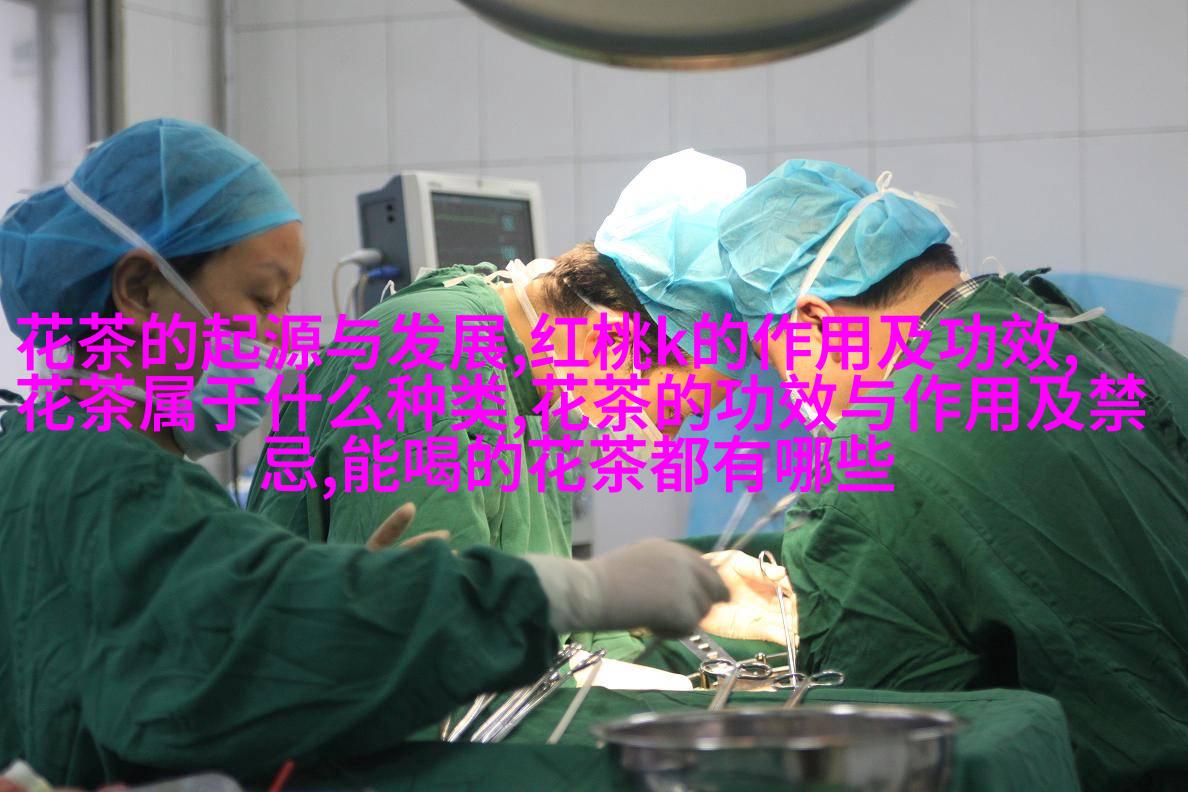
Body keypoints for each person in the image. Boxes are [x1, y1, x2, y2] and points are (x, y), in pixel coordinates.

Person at [0, 118, 729, 787]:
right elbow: (248, 639)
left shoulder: (81, 455)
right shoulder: (100, 477)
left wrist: (358, 602)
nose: (279, 335)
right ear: (138, 288)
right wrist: (577, 591)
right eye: (262, 299)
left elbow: (224, 656)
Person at [718, 158, 1188, 790]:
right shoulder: (1114, 345)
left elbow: (882, 739)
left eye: (781, 364)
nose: (795, 392)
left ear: (816, 323)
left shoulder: (871, 458)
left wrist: (831, 606)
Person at [250, 149, 797, 655]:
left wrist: (652, 606)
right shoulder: (426, 362)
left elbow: (535, 617)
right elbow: (439, 640)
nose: (668, 439)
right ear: (611, 340)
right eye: (675, 413)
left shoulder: (537, 394)